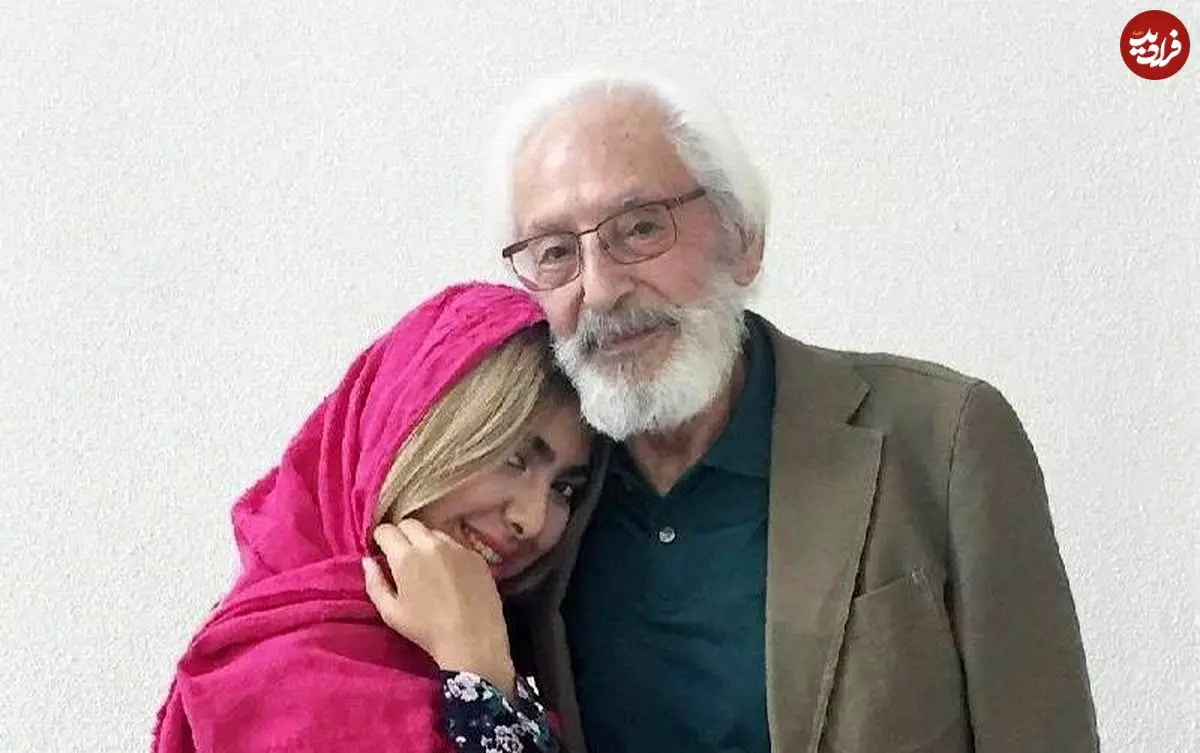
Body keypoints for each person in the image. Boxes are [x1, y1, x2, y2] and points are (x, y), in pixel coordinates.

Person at [456, 71, 1099, 752]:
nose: (601, 288)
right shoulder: (530, 497)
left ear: (744, 237)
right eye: (556, 252)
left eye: (640, 227)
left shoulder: (944, 440)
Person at [153, 282, 593, 753]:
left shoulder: (510, 638)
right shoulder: (284, 681)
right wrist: (481, 679)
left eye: (564, 489)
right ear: (411, 429)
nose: (531, 518)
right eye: (514, 458)